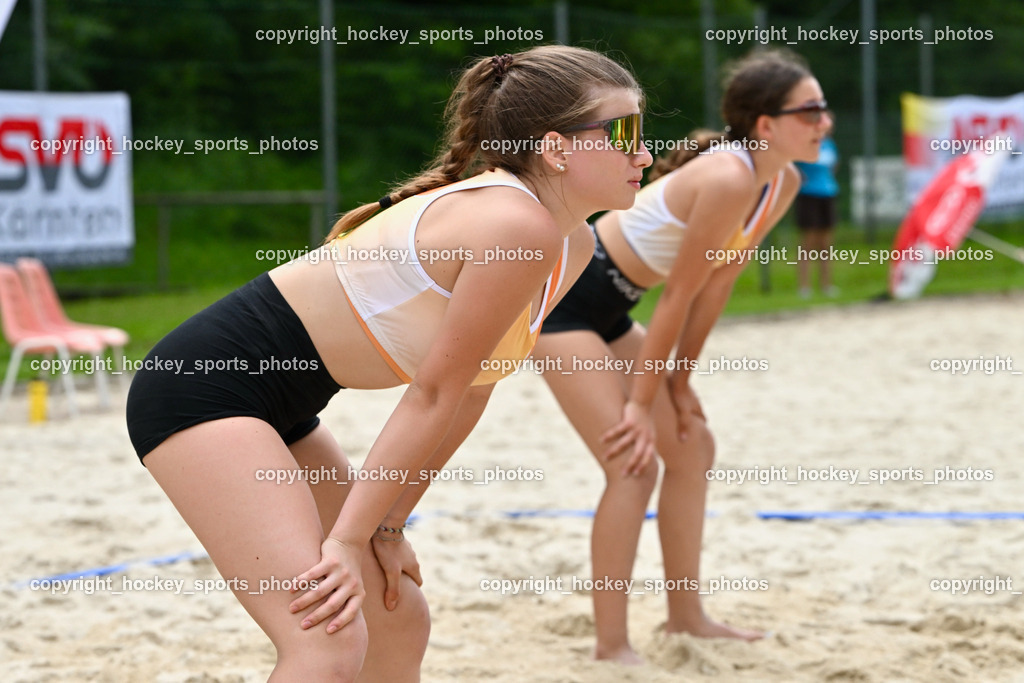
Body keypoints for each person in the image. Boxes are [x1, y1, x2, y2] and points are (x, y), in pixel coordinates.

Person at [125, 45, 652, 682]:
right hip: (205, 389)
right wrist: (348, 539)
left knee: (398, 618)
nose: (644, 153)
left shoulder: (569, 241)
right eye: (623, 132)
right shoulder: (515, 223)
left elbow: (470, 394)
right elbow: (433, 393)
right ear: (556, 147)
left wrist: (386, 525)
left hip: (284, 404)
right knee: (325, 637)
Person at [534, 49, 831, 664]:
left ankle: (685, 615)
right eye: (811, 109)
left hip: (615, 305)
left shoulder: (782, 180)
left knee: (693, 445)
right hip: (566, 300)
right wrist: (644, 402)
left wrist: (680, 382)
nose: (825, 119)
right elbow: (678, 298)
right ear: (766, 125)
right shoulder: (727, 177)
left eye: (824, 107)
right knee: (633, 462)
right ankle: (610, 645)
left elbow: (718, 284)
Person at [794, 126, 840, 297]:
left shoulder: (829, 144)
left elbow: (834, 166)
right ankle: (804, 286)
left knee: (826, 244)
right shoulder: (804, 144)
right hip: (808, 195)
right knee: (808, 242)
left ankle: (826, 284)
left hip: (828, 194)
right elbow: (793, 165)